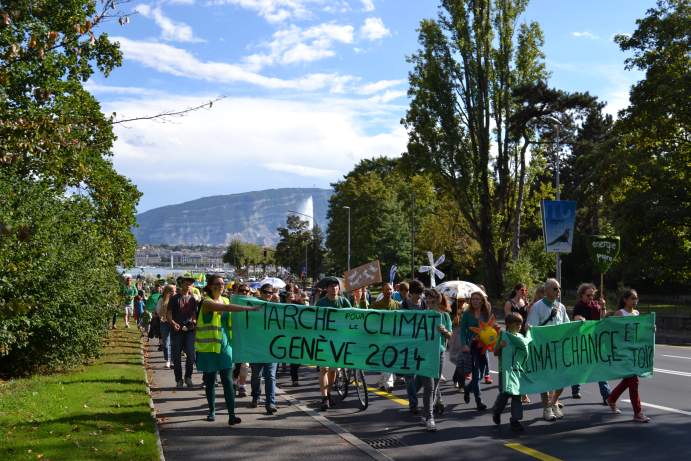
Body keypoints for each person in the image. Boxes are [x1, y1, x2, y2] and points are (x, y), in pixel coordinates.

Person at [195, 275, 260, 425]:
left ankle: (232, 415)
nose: (221, 286)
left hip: (225, 347)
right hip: (209, 348)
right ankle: (212, 411)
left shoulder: (226, 299)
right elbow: (227, 309)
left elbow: (235, 317)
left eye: (223, 283)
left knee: (228, 381)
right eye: (217, 283)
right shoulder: (206, 302)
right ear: (209, 286)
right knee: (210, 381)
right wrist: (248, 308)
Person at [526, 278, 569, 421]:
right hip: (543, 350)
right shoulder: (537, 307)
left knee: (561, 379)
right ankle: (547, 408)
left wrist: (579, 323)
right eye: (555, 288)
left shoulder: (561, 307)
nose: (558, 291)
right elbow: (530, 327)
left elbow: (567, 325)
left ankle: (554, 403)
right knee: (545, 381)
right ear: (547, 290)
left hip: (558, 350)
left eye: (559, 288)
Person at [607, 289, 651, 423]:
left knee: (628, 380)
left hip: (634, 352)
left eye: (636, 298)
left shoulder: (637, 313)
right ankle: (638, 412)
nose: (635, 301)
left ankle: (611, 399)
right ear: (625, 300)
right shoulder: (620, 313)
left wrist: (650, 328)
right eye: (632, 298)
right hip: (623, 353)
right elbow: (611, 330)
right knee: (633, 381)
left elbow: (639, 331)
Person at [570, 282, 611, 403]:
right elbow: (575, 318)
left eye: (592, 295)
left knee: (599, 368)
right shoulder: (579, 306)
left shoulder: (596, 305)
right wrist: (580, 319)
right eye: (588, 295)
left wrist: (603, 307)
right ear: (582, 295)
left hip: (595, 341)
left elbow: (602, 319)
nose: (591, 298)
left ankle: (606, 396)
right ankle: (575, 388)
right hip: (582, 342)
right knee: (580, 367)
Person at [315, 277, 351, 410]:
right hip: (323, 340)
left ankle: (329, 393)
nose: (334, 288)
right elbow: (314, 319)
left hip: (338, 341)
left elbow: (352, 316)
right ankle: (324, 397)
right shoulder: (321, 303)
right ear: (327, 289)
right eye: (331, 286)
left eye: (336, 286)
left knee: (332, 370)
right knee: (323, 369)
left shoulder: (344, 301)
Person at [419, 288, 452, 431]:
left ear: (438, 300)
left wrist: (444, 331)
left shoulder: (445, 316)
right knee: (429, 386)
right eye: (427, 299)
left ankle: (426, 413)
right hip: (425, 355)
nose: (429, 302)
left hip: (439, 353)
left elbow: (450, 335)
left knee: (435, 385)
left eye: (432, 299)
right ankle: (429, 418)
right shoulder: (421, 315)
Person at [492, 312, 528, 432]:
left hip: (517, 371)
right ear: (508, 324)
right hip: (505, 371)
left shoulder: (520, 337)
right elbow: (495, 352)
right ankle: (497, 411)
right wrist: (500, 346)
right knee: (505, 394)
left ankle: (515, 420)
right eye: (516, 324)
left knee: (517, 395)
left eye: (520, 324)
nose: (519, 326)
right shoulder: (503, 336)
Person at [250, 283, 280, 414]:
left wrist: (278, 303)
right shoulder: (254, 305)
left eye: (270, 293)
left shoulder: (277, 308)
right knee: (256, 376)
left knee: (271, 376)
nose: (268, 295)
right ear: (261, 293)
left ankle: (270, 403)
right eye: (266, 292)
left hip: (271, 348)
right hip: (256, 347)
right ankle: (256, 396)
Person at [459, 290, 492, 411]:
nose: (475, 301)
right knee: (476, 374)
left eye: (477, 299)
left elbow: (490, 328)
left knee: (482, 374)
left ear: (482, 301)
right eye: (473, 299)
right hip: (472, 346)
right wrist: (464, 344)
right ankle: (479, 401)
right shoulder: (467, 314)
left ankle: (467, 389)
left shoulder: (486, 312)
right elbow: (462, 331)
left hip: (483, 346)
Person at [167, 273, 199, 388]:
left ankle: (188, 377)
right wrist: (173, 323)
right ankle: (179, 380)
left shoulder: (193, 299)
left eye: (191, 284)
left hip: (190, 330)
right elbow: (168, 314)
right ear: (182, 284)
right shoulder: (174, 298)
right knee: (176, 356)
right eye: (186, 284)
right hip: (177, 331)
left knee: (191, 355)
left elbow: (194, 314)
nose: (189, 286)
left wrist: (194, 321)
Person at [401, 280, 426, 414]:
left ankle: (412, 392)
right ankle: (413, 403)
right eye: (417, 293)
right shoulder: (405, 304)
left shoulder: (424, 304)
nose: (419, 296)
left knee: (422, 374)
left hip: (421, 344)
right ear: (411, 293)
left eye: (421, 293)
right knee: (409, 375)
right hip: (408, 344)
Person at [372, 283, 401, 391]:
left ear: (393, 291)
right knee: (386, 358)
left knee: (390, 358)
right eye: (386, 289)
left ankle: (382, 383)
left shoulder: (397, 305)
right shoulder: (377, 305)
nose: (388, 291)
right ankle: (389, 383)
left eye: (390, 289)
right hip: (381, 337)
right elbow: (367, 314)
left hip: (394, 336)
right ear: (382, 291)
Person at [156, 284, 176, 368]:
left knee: (174, 342)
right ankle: (168, 360)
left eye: (174, 291)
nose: (173, 292)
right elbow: (158, 310)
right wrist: (161, 316)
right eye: (172, 291)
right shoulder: (162, 300)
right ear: (167, 291)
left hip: (174, 323)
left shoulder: (177, 299)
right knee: (166, 342)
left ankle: (172, 361)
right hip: (164, 322)